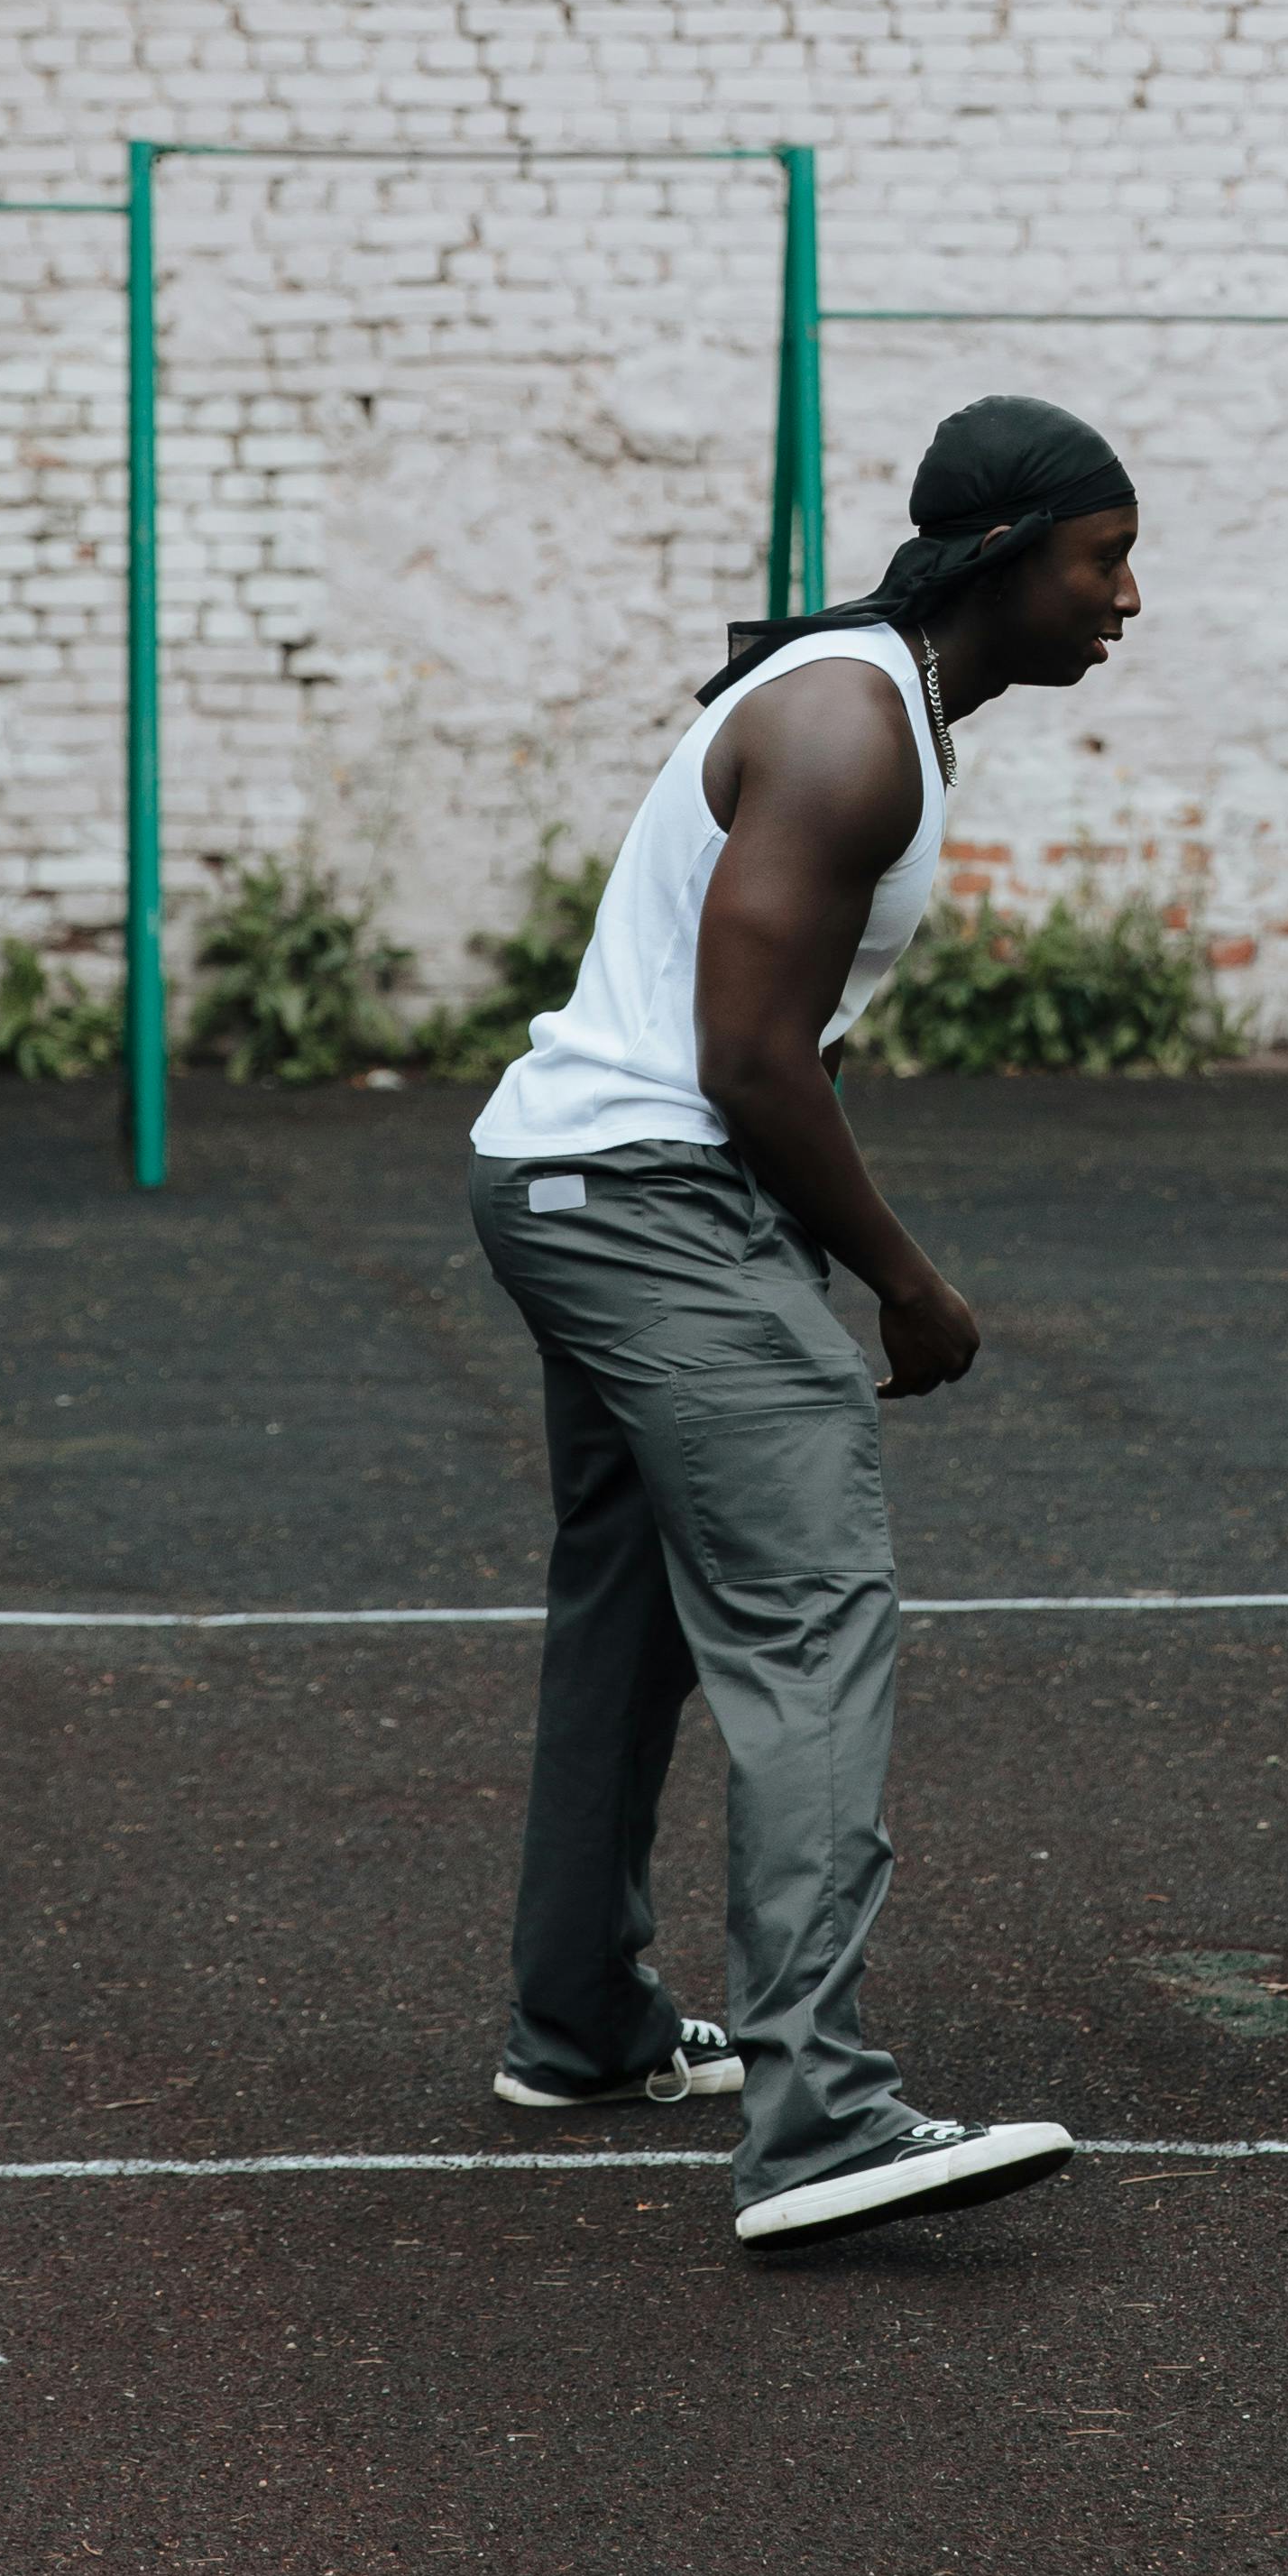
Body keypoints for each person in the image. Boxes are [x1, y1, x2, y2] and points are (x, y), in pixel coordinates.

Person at [465, 392, 1140, 2249]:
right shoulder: (850, 725)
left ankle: (584, 2026)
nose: (1127, 598)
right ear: (1009, 564)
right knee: (813, 1617)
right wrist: (904, 1287)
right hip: (652, 1197)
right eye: (1102, 559)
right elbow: (748, 1057)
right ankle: (824, 2122)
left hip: (586, 1181)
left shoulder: (874, 694)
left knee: (635, 1612)